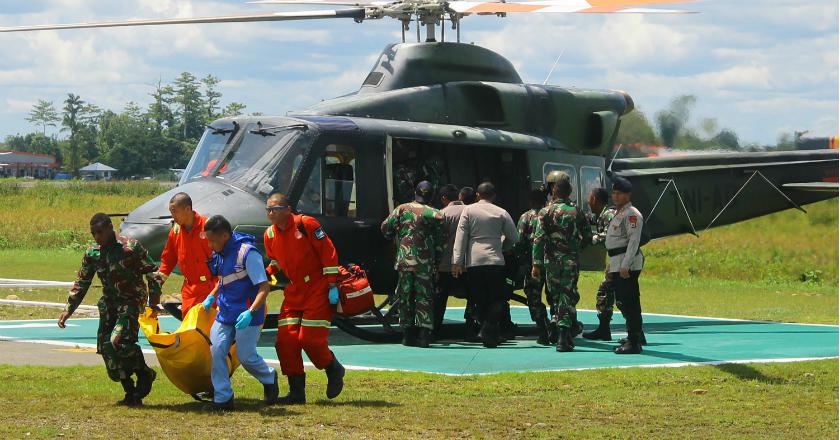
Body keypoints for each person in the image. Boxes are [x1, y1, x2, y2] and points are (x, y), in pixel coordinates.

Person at [58, 213, 162, 406]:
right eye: (93, 233)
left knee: (118, 341)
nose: (97, 237)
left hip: (131, 301)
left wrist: (153, 301)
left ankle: (144, 372)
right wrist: (68, 309)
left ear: (110, 228)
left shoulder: (130, 248)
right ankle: (130, 391)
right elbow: (82, 282)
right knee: (106, 347)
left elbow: (152, 272)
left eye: (100, 232)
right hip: (110, 303)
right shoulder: (93, 253)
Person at [263, 193, 346, 404]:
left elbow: (328, 252)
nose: (271, 213)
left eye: (275, 209)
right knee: (286, 341)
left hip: (317, 288)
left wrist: (332, 284)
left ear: (288, 209)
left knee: (310, 339)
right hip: (293, 291)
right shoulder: (269, 235)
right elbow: (275, 261)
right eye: (268, 210)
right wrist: (267, 272)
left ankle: (333, 368)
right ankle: (297, 392)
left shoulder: (306, 224)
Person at [202, 215, 279, 410]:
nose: (210, 245)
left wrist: (250, 312)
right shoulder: (220, 252)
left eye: (212, 241)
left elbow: (264, 287)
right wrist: (211, 296)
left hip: (248, 313)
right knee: (217, 350)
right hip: (226, 311)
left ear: (225, 236)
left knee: (246, 356)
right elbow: (225, 280)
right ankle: (223, 398)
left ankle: (269, 377)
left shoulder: (248, 253)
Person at [452, 182, 518, 348]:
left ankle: (485, 329)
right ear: (494, 196)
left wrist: (457, 262)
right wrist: (502, 247)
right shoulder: (501, 212)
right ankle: (489, 328)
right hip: (495, 260)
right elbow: (514, 237)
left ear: (477, 195)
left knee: (479, 298)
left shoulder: (468, 210)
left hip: (474, 261)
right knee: (498, 298)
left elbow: (461, 237)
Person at [532, 172, 592, 352]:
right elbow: (587, 236)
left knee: (556, 297)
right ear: (570, 192)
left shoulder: (545, 212)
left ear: (554, 191)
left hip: (551, 262)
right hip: (570, 261)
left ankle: (558, 328)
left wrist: (536, 264)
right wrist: (575, 249)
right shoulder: (576, 211)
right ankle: (563, 337)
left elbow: (538, 239)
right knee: (567, 296)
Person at [381, 181, 445, 348]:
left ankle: (407, 335)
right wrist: (437, 260)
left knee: (405, 295)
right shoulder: (436, 214)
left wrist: (394, 236)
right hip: (425, 263)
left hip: (404, 261)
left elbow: (385, 227)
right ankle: (424, 335)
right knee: (424, 296)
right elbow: (441, 242)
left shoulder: (401, 209)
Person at [158, 192, 217, 317]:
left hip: (211, 290)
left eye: (175, 211)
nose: (173, 216)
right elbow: (168, 261)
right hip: (189, 292)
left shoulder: (208, 227)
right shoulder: (175, 232)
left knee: (209, 326)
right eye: (171, 212)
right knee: (190, 326)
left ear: (188, 209)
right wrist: (158, 283)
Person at [605, 176, 646, 354]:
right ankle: (634, 336)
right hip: (617, 261)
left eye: (619, 193)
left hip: (626, 263)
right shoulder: (619, 213)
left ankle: (634, 341)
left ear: (628, 195)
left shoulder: (631, 214)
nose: (615, 196)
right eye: (614, 193)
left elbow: (633, 241)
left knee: (629, 301)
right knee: (623, 300)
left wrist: (625, 265)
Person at [582, 188, 618, 341]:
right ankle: (605, 330)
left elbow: (609, 235)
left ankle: (606, 330)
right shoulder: (602, 215)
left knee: (608, 292)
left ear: (595, 200)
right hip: (617, 259)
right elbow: (589, 219)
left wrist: (590, 239)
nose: (588, 201)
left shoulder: (610, 214)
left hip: (621, 259)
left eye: (589, 198)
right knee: (610, 293)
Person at [515, 189, 551, 345]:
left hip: (533, 264)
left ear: (530, 201)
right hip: (552, 263)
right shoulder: (550, 214)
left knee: (533, 296)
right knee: (554, 297)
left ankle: (542, 329)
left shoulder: (526, 217)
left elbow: (519, 241)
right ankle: (557, 327)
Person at [433, 184, 468, 338]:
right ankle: (472, 327)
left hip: (445, 264)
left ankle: (435, 329)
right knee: (473, 296)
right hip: (467, 263)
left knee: (440, 298)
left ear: (443, 198)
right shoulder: (469, 211)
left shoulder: (441, 214)